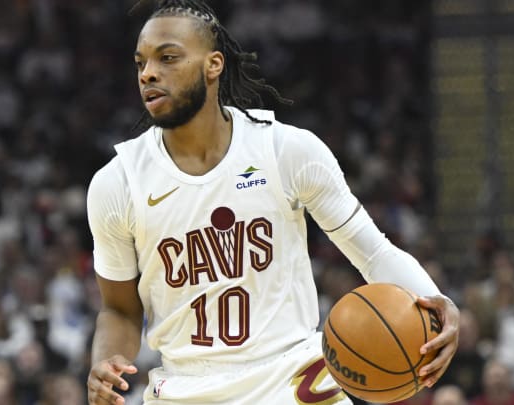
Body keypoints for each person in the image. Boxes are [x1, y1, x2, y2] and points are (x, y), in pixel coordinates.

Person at [85, 0, 460, 404]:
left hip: (294, 380)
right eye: (140, 62)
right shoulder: (117, 183)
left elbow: (372, 252)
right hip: (185, 388)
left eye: (168, 57)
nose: (149, 73)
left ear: (213, 65)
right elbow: (120, 309)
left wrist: (436, 301)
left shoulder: (286, 150)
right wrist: (106, 363)